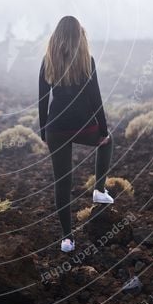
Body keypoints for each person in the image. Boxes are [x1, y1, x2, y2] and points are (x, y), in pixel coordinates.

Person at [38, 15, 114, 253]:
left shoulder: (48, 60)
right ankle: (99, 190)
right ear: (79, 37)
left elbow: (42, 100)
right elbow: (96, 99)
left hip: (56, 130)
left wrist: (43, 130)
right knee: (108, 143)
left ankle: (67, 239)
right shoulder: (86, 60)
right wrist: (103, 130)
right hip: (84, 127)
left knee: (62, 183)